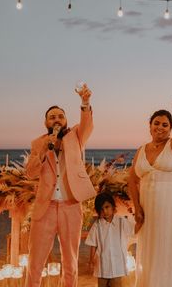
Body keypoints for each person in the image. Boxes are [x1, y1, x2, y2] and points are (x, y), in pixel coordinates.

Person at [25, 84, 96, 287]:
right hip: (45, 209)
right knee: (35, 263)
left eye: (60, 116)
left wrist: (85, 102)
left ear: (66, 120)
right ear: (45, 122)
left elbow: (87, 124)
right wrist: (43, 149)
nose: (57, 119)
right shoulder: (38, 143)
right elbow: (30, 173)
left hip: (70, 206)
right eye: (52, 117)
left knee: (70, 263)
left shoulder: (76, 137)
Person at [128, 100, 172, 287]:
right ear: (149, 126)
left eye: (165, 125)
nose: (160, 127)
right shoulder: (141, 149)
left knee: (169, 250)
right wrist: (137, 208)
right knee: (149, 251)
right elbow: (132, 180)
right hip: (148, 207)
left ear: (171, 128)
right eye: (156, 123)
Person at [86, 192, 135, 287]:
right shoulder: (97, 226)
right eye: (101, 209)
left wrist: (140, 219)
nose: (105, 211)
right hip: (102, 265)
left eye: (107, 207)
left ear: (113, 206)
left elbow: (133, 230)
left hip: (117, 265)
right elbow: (93, 244)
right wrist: (91, 260)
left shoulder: (121, 222)